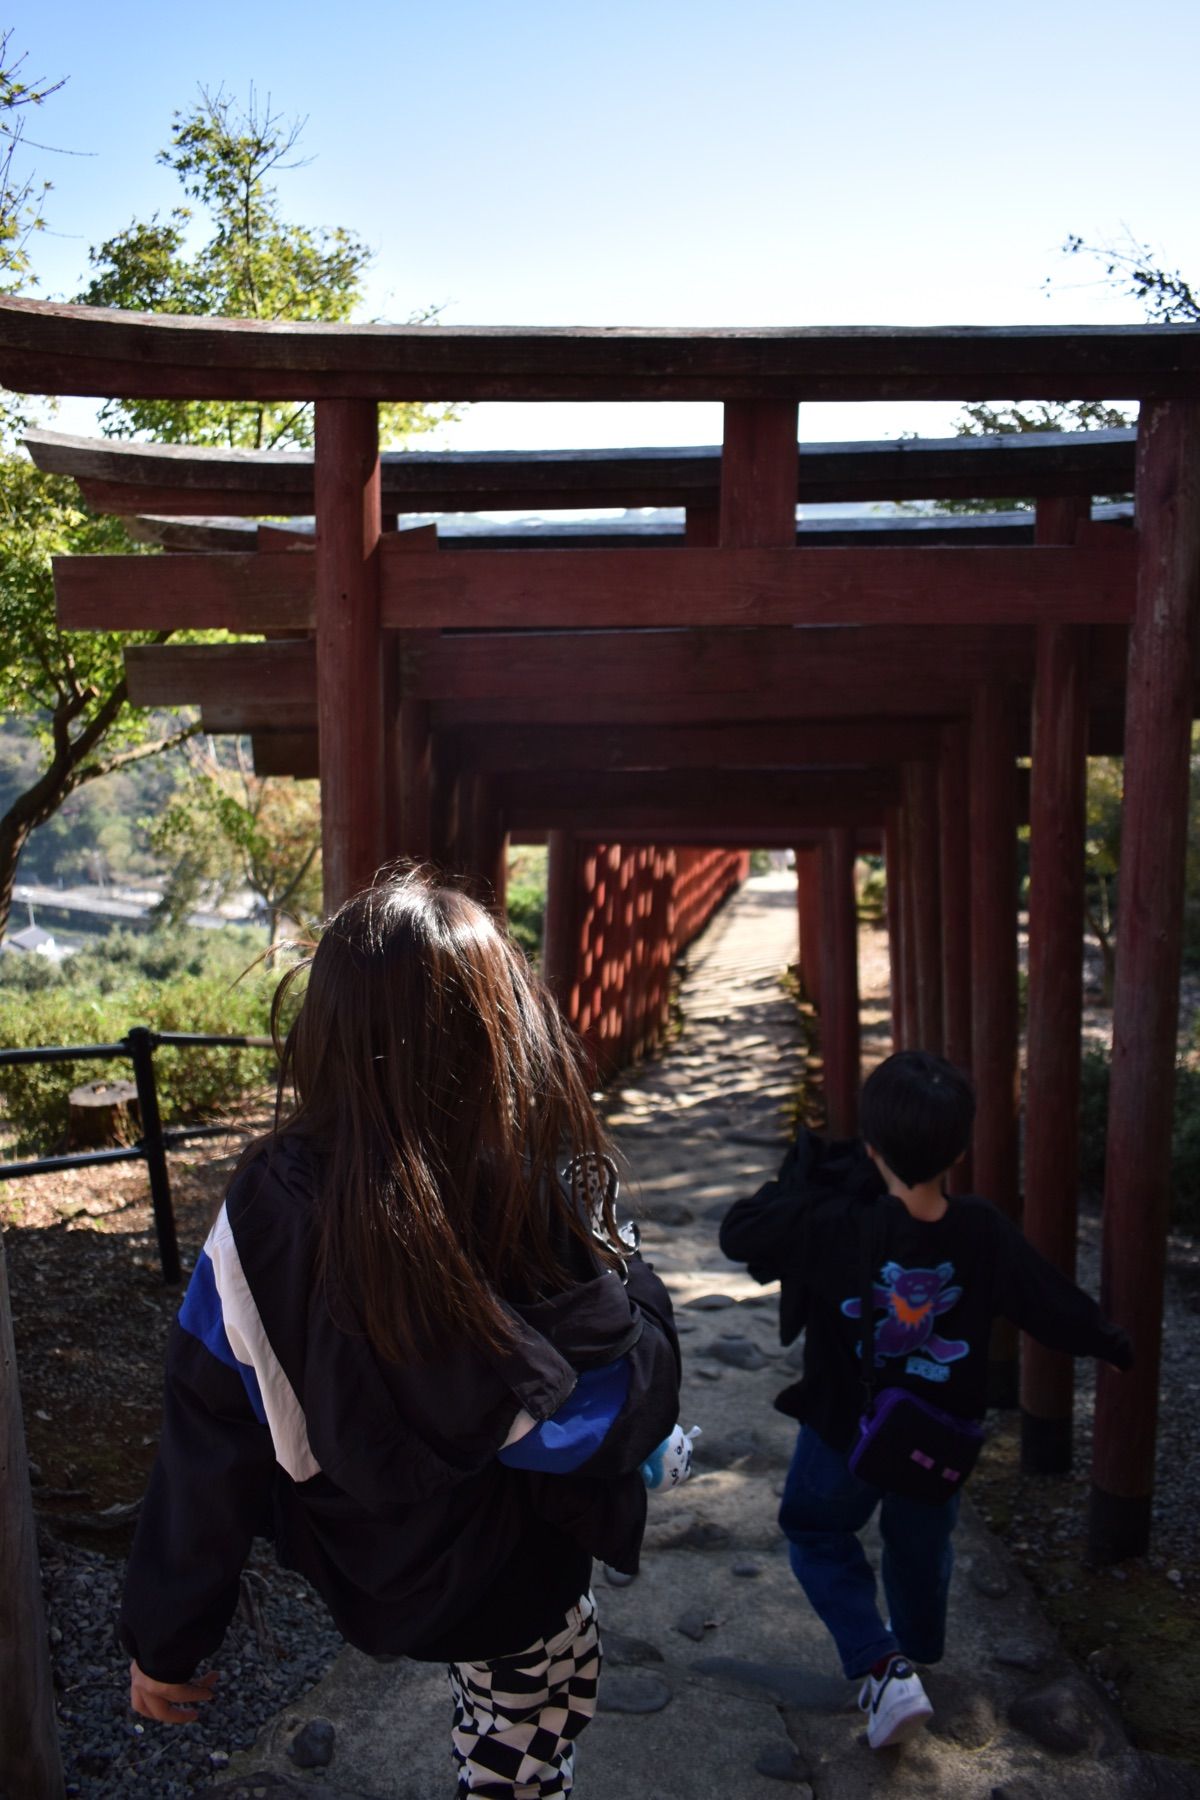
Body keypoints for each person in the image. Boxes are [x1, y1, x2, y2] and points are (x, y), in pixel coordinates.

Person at [121, 868, 682, 1797]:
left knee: (534, 1685)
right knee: (535, 1715)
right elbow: (612, 1404)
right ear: (500, 1028)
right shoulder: (532, 1187)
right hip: (515, 1580)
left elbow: (206, 1431)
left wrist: (164, 1637)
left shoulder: (268, 1205)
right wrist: (642, 1286)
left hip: (364, 1559)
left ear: (327, 1031)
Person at [719, 1050, 1132, 1752]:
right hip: (938, 1433)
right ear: (962, 1149)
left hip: (845, 1430)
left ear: (872, 1146)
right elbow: (1047, 1302)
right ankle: (918, 1653)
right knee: (921, 1542)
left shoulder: (835, 1223)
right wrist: (1112, 1342)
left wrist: (816, 1181)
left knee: (817, 1533)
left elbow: (740, 1231)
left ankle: (882, 1665)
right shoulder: (981, 1230)